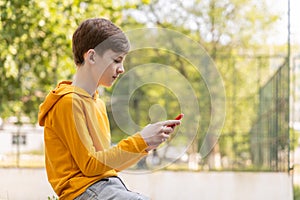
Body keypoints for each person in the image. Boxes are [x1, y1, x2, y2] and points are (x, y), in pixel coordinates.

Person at [38, 18, 181, 200]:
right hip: (82, 191)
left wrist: (147, 144)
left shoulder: (96, 103)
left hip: (105, 186)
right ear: (91, 56)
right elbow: (90, 165)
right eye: (116, 60)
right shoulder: (68, 103)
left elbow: (105, 165)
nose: (121, 69)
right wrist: (140, 140)